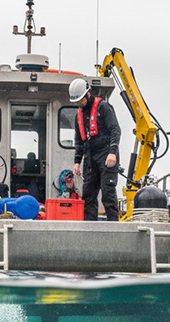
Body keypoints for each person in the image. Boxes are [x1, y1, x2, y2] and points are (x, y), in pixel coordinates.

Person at [70, 78, 122, 221]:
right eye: (76, 101)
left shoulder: (104, 108)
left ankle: (113, 226)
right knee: (88, 195)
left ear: (87, 94)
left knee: (108, 193)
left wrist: (112, 153)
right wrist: (77, 161)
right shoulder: (79, 115)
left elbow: (115, 130)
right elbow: (79, 140)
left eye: (80, 100)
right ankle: (90, 227)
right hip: (90, 158)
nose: (78, 103)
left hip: (106, 155)